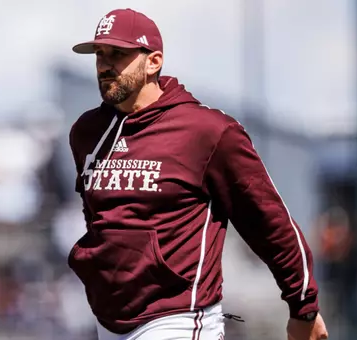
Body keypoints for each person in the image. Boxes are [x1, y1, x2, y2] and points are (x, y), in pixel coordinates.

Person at [67, 8, 328, 340]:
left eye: (118, 54)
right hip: (108, 321)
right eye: (99, 55)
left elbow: (268, 221)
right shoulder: (87, 132)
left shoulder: (207, 132)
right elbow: (101, 222)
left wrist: (303, 305)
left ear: (153, 61)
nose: (104, 65)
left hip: (177, 317)